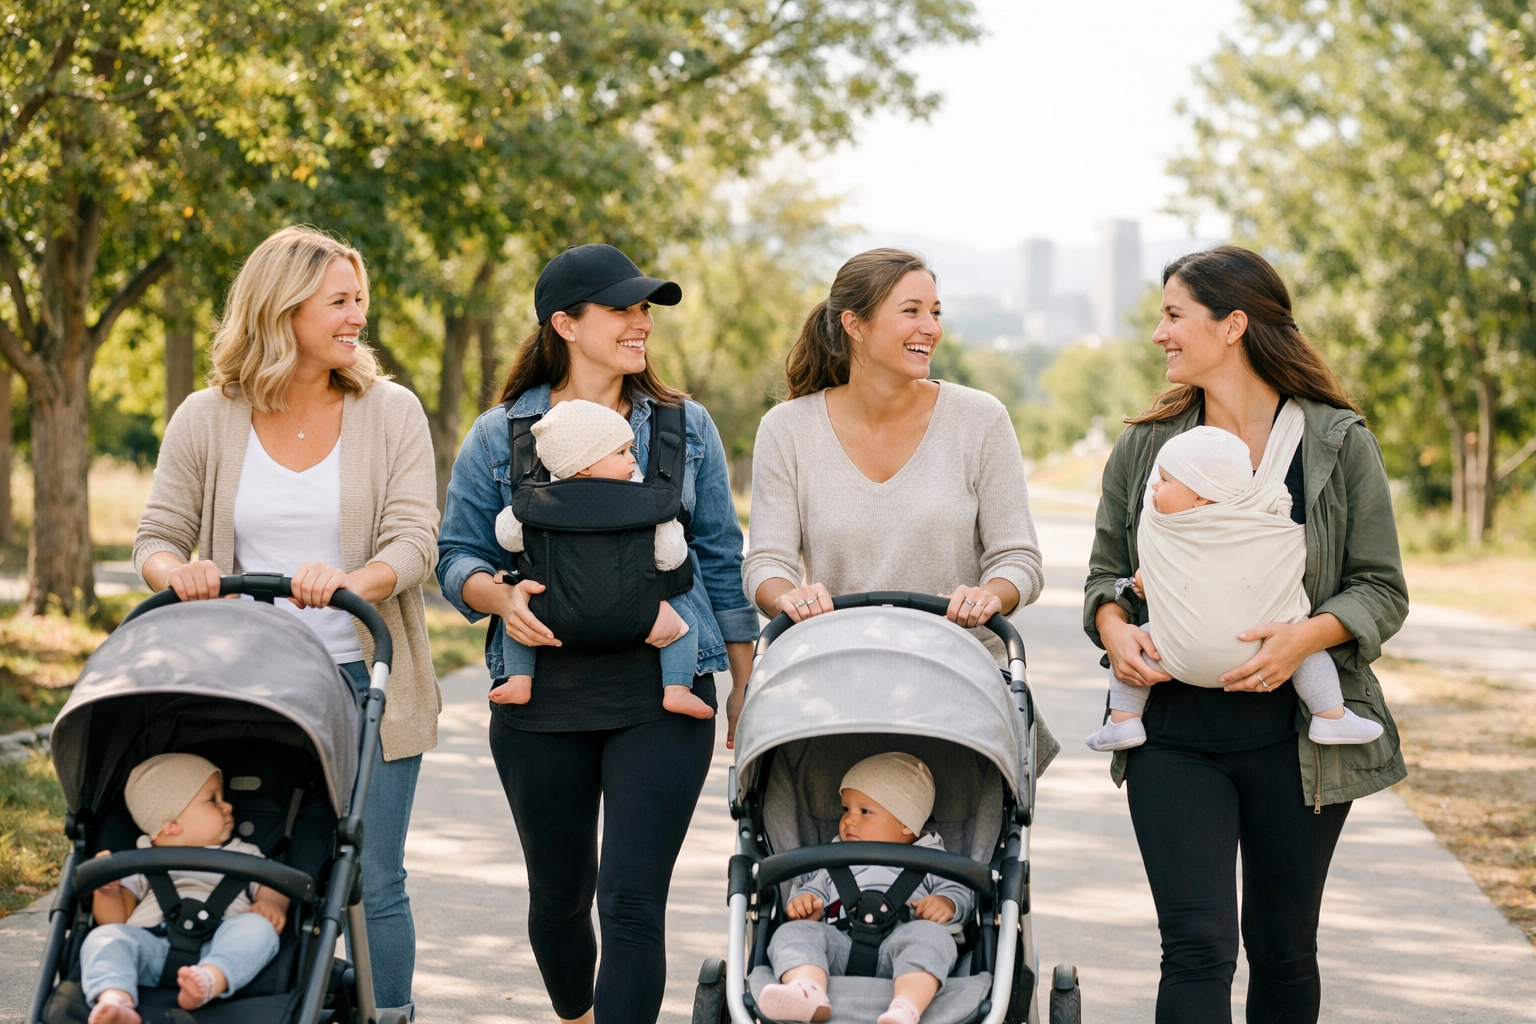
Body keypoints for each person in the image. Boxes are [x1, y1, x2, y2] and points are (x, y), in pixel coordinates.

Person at [1084, 245, 1407, 1023]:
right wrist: (1114, 629)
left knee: (1284, 946)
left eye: (1173, 315)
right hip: (1173, 737)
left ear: (1233, 325)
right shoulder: (1144, 447)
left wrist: (1304, 640)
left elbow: (1381, 588)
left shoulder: (1335, 442)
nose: (1159, 334)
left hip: (1296, 744)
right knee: (1196, 947)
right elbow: (1106, 577)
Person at [436, 243, 757, 1024]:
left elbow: (720, 557)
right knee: (558, 899)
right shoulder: (501, 436)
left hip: (663, 692)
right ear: (566, 324)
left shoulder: (686, 427)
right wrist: (498, 599)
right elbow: (457, 558)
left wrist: (748, 683)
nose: (641, 322)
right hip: (541, 696)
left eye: (645, 308)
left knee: (632, 902)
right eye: (623, 309)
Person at [133, 226, 439, 1017]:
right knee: (261, 856)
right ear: (283, 309)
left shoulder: (390, 411)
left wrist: (349, 580)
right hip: (246, 680)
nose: (356, 318)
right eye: (339, 301)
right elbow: (156, 539)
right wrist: (183, 574)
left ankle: (388, 1013)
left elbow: (414, 541)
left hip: (361, 678)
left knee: (375, 876)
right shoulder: (207, 417)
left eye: (359, 300)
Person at [741, 247, 1057, 765]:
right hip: (834, 684)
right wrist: (787, 598)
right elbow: (766, 562)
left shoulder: (980, 420)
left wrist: (987, 597)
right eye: (911, 311)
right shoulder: (787, 429)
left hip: (958, 686)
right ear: (854, 325)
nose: (930, 327)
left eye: (935, 312)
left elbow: (1019, 559)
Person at [1085, 424, 1383, 751]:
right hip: (1259, 645)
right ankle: (1330, 715)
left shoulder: (1171, 533)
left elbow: (1158, 575)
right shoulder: (1253, 519)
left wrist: (1141, 581)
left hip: (1176, 653)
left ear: (1200, 495)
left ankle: (1124, 721)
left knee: (1142, 642)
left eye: (1165, 480)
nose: (1154, 485)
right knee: (1308, 650)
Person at [491, 398, 710, 718]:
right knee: (685, 624)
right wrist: (671, 529)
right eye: (621, 452)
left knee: (521, 621)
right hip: (638, 613)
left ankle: (520, 679)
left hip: (553, 611)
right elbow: (670, 558)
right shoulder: (644, 501)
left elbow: (508, 537)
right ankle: (677, 689)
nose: (633, 458)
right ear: (585, 463)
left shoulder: (538, 501)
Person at [757, 753, 973, 1024]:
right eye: (845, 809)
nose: (848, 820)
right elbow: (814, 889)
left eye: (864, 811)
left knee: (933, 940)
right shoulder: (834, 858)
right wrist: (805, 903)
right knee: (792, 933)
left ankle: (906, 1006)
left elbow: (962, 891)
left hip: (905, 939)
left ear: (908, 823)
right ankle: (807, 989)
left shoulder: (934, 859)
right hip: (839, 942)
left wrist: (947, 903)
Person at [83, 755, 288, 1023]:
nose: (227, 806)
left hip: (222, 943)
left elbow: (274, 882)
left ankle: (210, 979)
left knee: (259, 930)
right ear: (171, 824)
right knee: (105, 938)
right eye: (213, 799)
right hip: (152, 946)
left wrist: (271, 904)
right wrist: (107, 892)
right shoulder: (142, 857)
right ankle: (116, 997)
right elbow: (117, 919)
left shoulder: (244, 853)